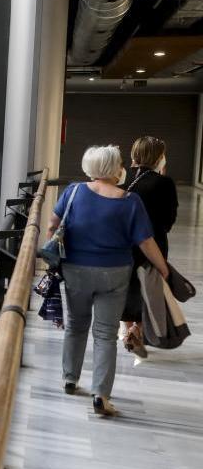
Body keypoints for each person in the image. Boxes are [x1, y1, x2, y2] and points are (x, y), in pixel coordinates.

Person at [49, 145, 170, 417]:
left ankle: (70, 378)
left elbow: (53, 225)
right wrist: (163, 269)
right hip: (114, 273)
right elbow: (145, 241)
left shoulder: (73, 191)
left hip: (76, 270)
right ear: (116, 169)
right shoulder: (130, 201)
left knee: (76, 326)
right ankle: (100, 395)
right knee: (105, 334)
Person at [121, 136, 178, 358]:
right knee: (152, 289)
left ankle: (127, 331)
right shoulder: (164, 183)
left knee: (129, 288)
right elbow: (168, 221)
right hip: (154, 244)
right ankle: (138, 329)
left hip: (126, 245)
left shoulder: (124, 180)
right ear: (158, 157)